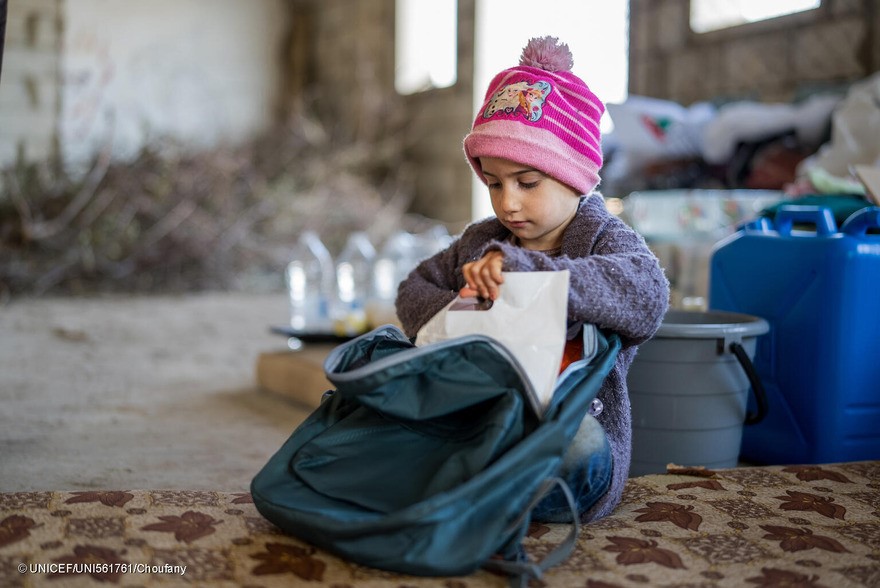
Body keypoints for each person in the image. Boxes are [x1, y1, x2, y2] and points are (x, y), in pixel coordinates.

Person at [395, 36, 670, 523]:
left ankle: (469, 488)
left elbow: (646, 294)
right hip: (482, 415)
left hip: (569, 432)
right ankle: (471, 482)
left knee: (573, 447)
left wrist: (526, 272)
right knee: (387, 375)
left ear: (576, 176)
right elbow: (414, 288)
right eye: (494, 183)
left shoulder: (603, 238)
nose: (508, 204)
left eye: (527, 183)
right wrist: (465, 306)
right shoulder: (481, 240)